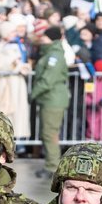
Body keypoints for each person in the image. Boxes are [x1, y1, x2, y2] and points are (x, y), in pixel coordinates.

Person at [29, 30, 73, 165]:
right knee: (48, 133)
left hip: (53, 99)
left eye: (45, 37)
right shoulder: (49, 53)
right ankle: (51, 163)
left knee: (50, 133)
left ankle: (52, 166)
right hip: (49, 98)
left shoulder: (55, 55)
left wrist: (32, 94)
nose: (42, 39)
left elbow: (48, 80)